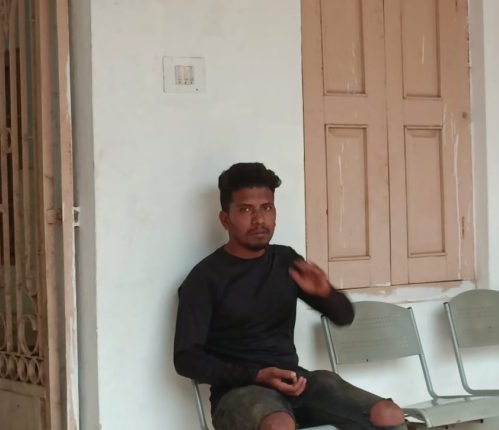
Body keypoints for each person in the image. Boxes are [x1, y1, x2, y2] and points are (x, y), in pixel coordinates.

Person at [174, 162, 406, 430]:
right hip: (239, 392)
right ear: (225, 219)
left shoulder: (286, 260)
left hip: (296, 383)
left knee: (389, 415)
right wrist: (256, 375)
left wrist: (326, 293)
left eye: (266, 208)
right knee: (280, 425)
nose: (259, 220)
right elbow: (186, 358)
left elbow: (344, 317)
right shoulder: (204, 278)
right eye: (246, 210)